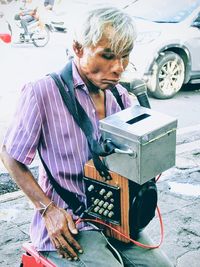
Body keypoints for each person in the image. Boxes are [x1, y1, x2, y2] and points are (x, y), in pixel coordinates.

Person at [0, 6, 173, 267]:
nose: (118, 68)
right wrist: (48, 210)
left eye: (125, 57)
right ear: (78, 48)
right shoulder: (42, 92)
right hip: (69, 223)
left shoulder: (120, 96)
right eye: (107, 56)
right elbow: (10, 156)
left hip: (116, 218)